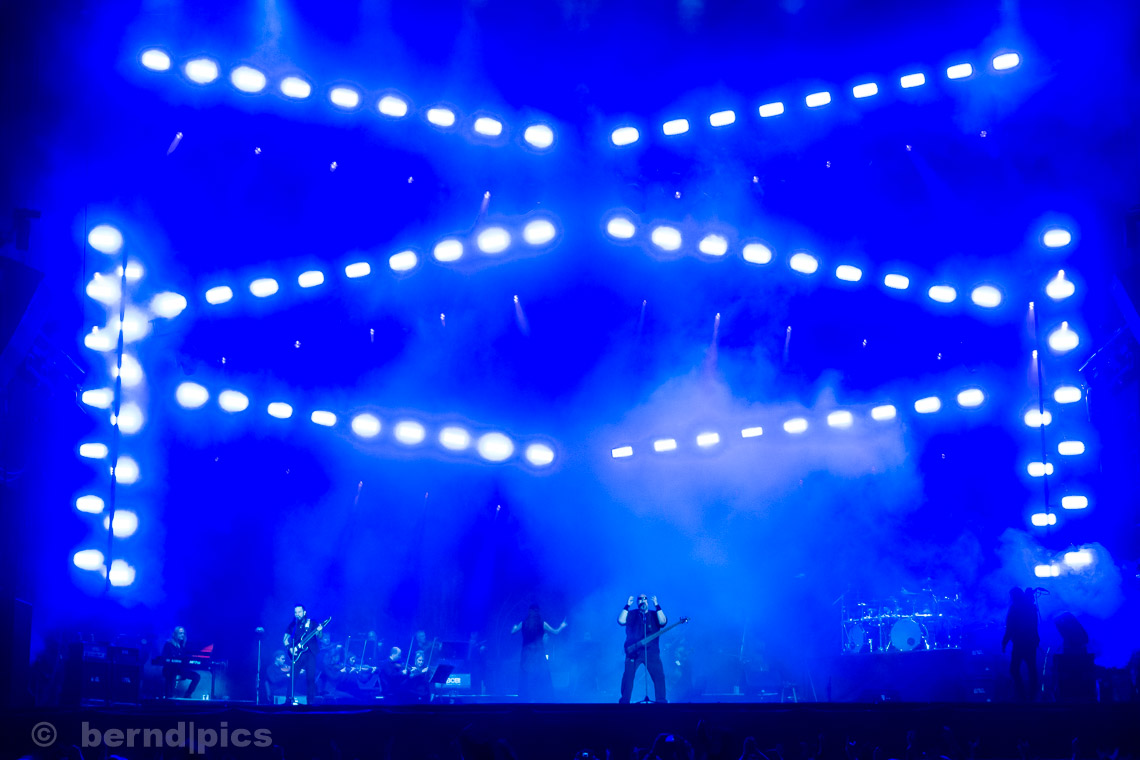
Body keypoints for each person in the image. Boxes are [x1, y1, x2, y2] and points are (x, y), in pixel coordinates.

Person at [511, 604, 567, 701]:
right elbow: (556, 632)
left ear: (529, 612)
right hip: (538, 653)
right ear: (538, 612)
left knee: (526, 675)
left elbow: (513, 632)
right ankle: (542, 698)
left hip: (526, 654)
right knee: (540, 674)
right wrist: (562, 626)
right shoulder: (542, 623)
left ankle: (525, 699)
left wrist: (514, 627)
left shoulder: (523, 623)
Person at [618, 594, 667, 703]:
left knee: (659, 676)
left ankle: (661, 701)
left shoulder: (654, 614)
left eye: (645, 598)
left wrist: (657, 605)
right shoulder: (632, 614)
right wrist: (627, 605)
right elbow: (621, 621)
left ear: (648, 602)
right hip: (633, 652)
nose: (642, 600)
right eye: (640, 599)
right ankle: (624, 702)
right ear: (637, 602)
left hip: (651, 652)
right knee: (628, 676)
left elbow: (663, 622)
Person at [1002, 587, 1040, 700]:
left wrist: (1004, 642)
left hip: (1019, 643)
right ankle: (1032, 696)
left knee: (1014, 669)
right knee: (1031, 668)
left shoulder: (1015, 608)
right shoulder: (1030, 606)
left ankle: (1022, 696)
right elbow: (1034, 624)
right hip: (1030, 642)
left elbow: (1010, 627)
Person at [283, 604, 324, 704]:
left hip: (310, 654)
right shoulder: (292, 625)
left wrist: (319, 631)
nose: (297, 614)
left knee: (310, 678)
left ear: (304, 612)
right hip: (297, 655)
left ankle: (310, 702)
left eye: (299, 612)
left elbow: (320, 636)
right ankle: (288, 700)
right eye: (295, 612)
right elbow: (285, 639)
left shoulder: (312, 623)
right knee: (292, 677)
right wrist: (290, 648)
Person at [161, 626, 201, 699]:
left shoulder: (182, 646)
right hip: (170, 669)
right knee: (172, 674)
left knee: (196, 676)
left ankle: (187, 695)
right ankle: (169, 696)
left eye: (183, 633)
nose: (182, 635)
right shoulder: (168, 644)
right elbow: (164, 658)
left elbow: (184, 659)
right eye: (180, 633)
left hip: (179, 669)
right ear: (175, 634)